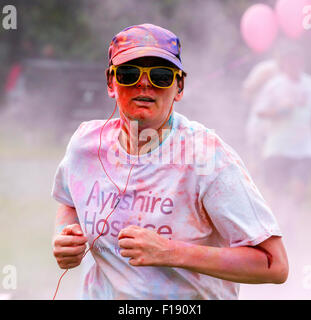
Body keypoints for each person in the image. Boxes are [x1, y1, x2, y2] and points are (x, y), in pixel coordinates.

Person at [51, 23, 288, 300]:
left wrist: (169, 251)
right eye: (129, 73)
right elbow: (69, 201)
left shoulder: (205, 157)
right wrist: (67, 236)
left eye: (161, 76)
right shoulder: (85, 145)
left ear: (179, 86)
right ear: (110, 83)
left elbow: (274, 265)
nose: (144, 83)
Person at [255, 44, 311, 229]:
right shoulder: (274, 85)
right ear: (283, 63)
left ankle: (290, 225)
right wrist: (280, 110)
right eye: (289, 61)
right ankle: (271, 230)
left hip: (304, 148)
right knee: (275, 194)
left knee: (298, 190)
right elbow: (260, 112)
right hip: (278, 147)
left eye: (297, 60)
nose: (294, 64)